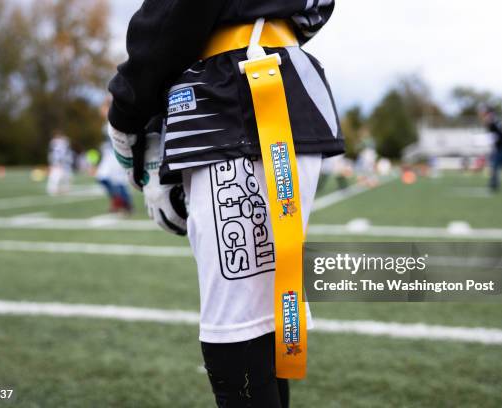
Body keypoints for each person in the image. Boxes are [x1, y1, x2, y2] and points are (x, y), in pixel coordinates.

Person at [107, 2, 344, 406]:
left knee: (237, 333)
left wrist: (127, 109)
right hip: (267, 83)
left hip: (238, 93)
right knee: (263, 324)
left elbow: (176, 14)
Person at [46, 131, 73, 196]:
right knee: (57, 175)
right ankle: (53, 189)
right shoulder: (61, 143)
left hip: (58, 161)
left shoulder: (55, 143)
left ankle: (58, 188)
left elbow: (52, 153)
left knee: (61, 175)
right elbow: (61, 153)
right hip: (60, 161)